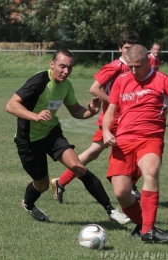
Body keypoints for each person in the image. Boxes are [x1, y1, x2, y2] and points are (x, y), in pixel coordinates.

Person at [6, 49, 128, 223]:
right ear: (52, 64)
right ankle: (28, 203)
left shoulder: (66, 85)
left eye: (70, 68)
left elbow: (76, 110)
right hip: (29, 141)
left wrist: (91, 111)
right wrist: (35, 116)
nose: (66, 71)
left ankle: (110, 211)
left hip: (52, 134)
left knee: (79, 167)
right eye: (62, 67)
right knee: (42, 185)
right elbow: (11, 105)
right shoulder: (38, 82)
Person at [102, 44, 168, 243]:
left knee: (151, 171)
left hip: (150, 139)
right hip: (123, 142)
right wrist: (107, 130)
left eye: (138, 66)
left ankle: (147, 232)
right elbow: (111, 111)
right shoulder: (121, 81)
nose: (134, 71)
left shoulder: (162, 80)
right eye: (130, 66)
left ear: (148, 61)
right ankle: (144, 226)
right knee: (121, 192)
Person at [50, 30, 140, 225]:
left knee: (93, 153)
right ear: (119, 48)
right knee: (130, 151)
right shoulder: (115, 67)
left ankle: (61, 182)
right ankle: (131, 186)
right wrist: (118, 102)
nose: (129, 51)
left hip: (126, 120)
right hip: (113, 121)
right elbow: (94, 88)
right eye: (126, 48)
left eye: (133, 48)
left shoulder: (134, 66)